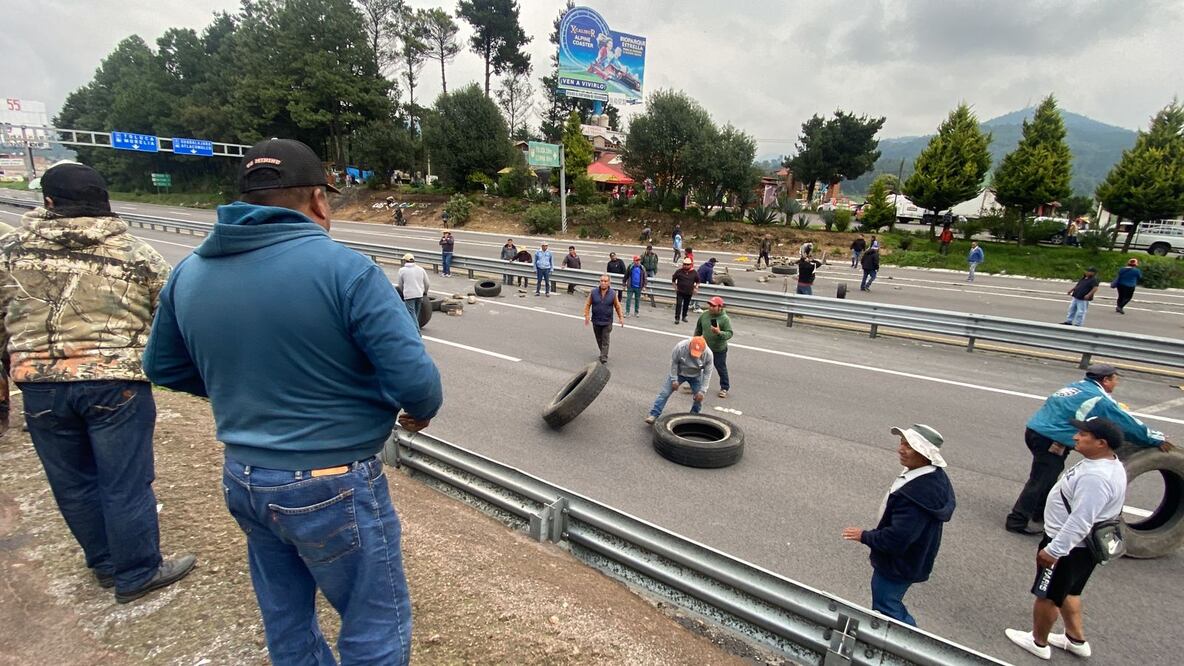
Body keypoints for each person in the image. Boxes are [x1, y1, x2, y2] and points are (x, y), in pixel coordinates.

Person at [144, 138, 443, 665]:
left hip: (244, 476)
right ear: (319, 200)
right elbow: (417, 383)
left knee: (286, 619)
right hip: (333, 480)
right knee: (374, 625)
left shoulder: (188, 273)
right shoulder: (347, 270)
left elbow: (163, 368)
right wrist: (416, 411)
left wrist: (244, 390)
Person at [0, 162, 194, 604]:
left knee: (72, 482)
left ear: (48, 201)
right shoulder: (134, 252)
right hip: (117, 383)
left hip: (40, 383)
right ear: (103, 200)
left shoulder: (10, 251)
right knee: (125, 481)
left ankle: (105, 564)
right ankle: (138, 570)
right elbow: (171, 313)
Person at [1004, 417, 1129, 661]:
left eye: (1083, 435)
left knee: (1047, 595)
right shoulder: (1109, 464)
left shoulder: (1097, 478)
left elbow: (1081, 520)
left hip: (1069, 547)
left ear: (1101, 443)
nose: (1076, 437)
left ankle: (1038, 641)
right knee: (1070, 591)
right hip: (1082, 549)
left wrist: (1054, 550)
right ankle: (1075, 639)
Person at [1005, 364, 1172, 535]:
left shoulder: (1075, 386)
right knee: (1040, 479)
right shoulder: (1098, 398)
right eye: (1115, 379)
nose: (1116, 383)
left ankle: (1039, 515)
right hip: (1051, 439)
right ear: (1106, 380)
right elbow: (1126, 423)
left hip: (1035, 431)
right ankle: (1017, 521)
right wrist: (1154, 438)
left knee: (1048, 476)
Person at [842, 424, 955, 627]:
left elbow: (897, 539)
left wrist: (864, 536)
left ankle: (908, 647)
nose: (900, 449)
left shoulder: (916, 495)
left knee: (886, 604)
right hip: (912, 560)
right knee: (889, 602)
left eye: (909, 446)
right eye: (902, 443)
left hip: (897, 565)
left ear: (924, 453)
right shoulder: (932, 475)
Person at [644, 336, 713, 424]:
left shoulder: (709, 354)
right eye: (693, 352)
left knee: (699, 397)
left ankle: (693, 415)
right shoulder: (680, 347)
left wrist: (702, 391)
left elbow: (707, 373)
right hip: (679, 373)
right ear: (690, 345)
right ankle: (654, 414)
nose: (694, 355)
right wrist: (674, 379)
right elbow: (674, 362)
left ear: (703, 350)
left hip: (696, 376)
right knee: (664, 393)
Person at [694, 296, 733, 398]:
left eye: (713, 306)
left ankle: (724, 387)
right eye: (710, 305)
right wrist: (695, 340)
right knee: (699, 366)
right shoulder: (704, 315)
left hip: (718, 349)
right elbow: (698, 328)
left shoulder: (725, 319)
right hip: (705, 347)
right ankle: (696, 385)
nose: (710, 307)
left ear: (720, 307)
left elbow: (729, 334)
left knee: (721, 368)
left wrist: (719, 332)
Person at [583, 274, 625, 363]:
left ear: (609, 283)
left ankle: (603, 357)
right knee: (599, 339)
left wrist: (621, 317)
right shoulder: (593, 292)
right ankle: (603, 352)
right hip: (596, 320)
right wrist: (586, 315)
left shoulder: (613, 294)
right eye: (601, 281)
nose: (603, 283)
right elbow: (588, 304)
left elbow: (617, 306)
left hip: (607, 321)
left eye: (605, 281)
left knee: (605, 339)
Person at [396, 253, 430, 330]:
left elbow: (400, 284)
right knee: (416, 314)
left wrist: (403, 292)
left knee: (411, 313)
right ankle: (414, 328)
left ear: (405, 261)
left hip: (409, 295)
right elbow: (427, 283)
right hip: (419, 295)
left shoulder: (402, 270)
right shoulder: (421, 269)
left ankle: (416, 331)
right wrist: (425, 292)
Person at [671, 257, 700, 324]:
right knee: (679, 304)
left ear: (690, 265)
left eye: (688, 264)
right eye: (685, 264)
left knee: (686, 305)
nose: (686, 266)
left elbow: (698, 281)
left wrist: (696, 288)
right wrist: (675, 287)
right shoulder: (679, 271)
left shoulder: (694, 272)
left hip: (689, 292)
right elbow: (673, 280)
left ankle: (684, 316)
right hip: (680, 291)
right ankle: (677, 318)